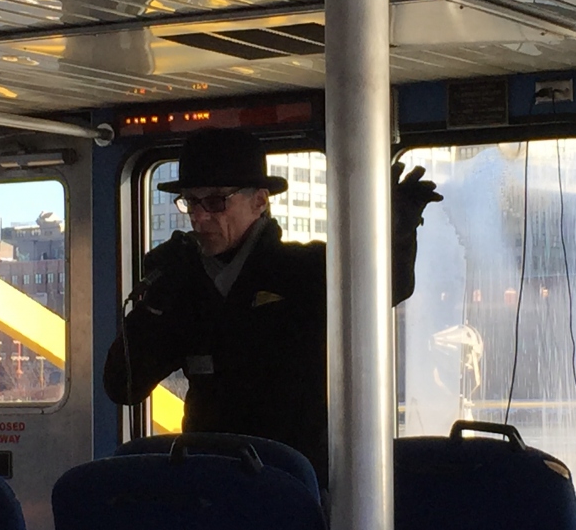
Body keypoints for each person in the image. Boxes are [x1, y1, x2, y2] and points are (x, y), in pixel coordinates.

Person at [103, 128, 442, 483]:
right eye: (191, 202)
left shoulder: (305, 270)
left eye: (215, 202)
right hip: (208, 479)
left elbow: (388, 286)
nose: (199, 217)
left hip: (294, 481)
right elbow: (122, 386)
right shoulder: (180, 283)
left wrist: (398, 233)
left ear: (260, 201)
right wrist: (153, 307)